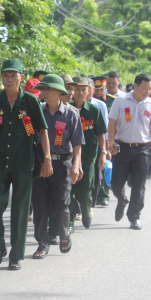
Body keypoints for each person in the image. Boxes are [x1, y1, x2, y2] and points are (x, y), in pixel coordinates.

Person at [0, 59, 51, 271]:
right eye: (6, 75)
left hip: (24, 163)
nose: (10, 79)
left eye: (14, 75)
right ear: (1, 76)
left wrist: (47, 158)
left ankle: (16, 255)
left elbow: (43, 131)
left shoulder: (30, 101)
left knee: (20, 210)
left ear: (22, 77)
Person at [31, 74, 84, 258]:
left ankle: (64, 233)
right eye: (42, 89)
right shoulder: (38, 111)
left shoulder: (71, 114)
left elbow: (77, 143)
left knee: (61, 204)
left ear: (59, 92)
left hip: (62, 163)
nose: (44, 92)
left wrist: (76, 165)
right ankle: (42, 244)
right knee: (39, 205)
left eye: (48, 89)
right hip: (39, 163)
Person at [107, 74, 151, 230]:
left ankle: (134, 217)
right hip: (122, 148)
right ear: (135, 86)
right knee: (116, 184)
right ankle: (122, 200)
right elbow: (112, 121)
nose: (147, 91)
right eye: (144, 88)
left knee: (139, 185)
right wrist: (111, 141)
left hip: (142, 149)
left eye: (150, 89)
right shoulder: (121, 100)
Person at [69, 77, 106, 230]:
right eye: (77, 89)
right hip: (68, 156)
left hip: (88, 156)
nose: (80, 92)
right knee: (69, 189)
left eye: (84, 89)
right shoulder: (67, 108)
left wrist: (103, 152)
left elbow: (100, 134)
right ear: (72, 91)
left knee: (86, 188)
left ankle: (86, 212)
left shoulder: (94, 110)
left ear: (89, 91)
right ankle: (70, 221)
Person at [86, 78, 109, 207]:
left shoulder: (100, 105)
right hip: (80, 146)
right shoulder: (74, 105)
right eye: (83, 88)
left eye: (89, 88)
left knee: (97, 178)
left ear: (93, 90)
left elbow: (104, 130)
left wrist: (105, 150)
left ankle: (90, 204)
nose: (86, 91)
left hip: (97, 146)